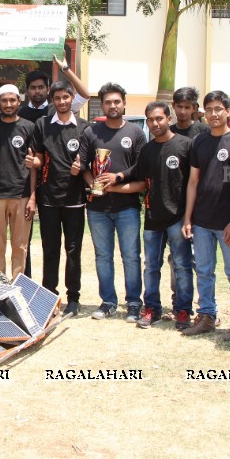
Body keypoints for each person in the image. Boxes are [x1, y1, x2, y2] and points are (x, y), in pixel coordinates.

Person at [108, 101, 194, 330]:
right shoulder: (147, 149)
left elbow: (194, 184)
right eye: (150, 120)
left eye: (159, 119)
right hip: (153, 219)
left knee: (182, 266)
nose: (155, 123)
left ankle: (183, 310)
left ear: (169, 118)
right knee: (150, 267)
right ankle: (152, 309)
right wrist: (114, 180)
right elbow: (134, 174)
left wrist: (188, 217)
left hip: (178, 218)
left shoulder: (186, 146)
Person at [181, 90, 230, 339]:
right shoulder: (199, 141)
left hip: (228, 222)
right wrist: (188, 218)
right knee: (205, 270)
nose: (213, 114)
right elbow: (193, 182)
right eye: (209, 109)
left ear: (228, 112)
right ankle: (206, 316)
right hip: (202, 221)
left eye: (218, 109)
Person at [80, 82, 146, 322]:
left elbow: (141, 168)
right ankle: (108, 302)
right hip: (97, 208)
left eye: (117, 101)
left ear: (124, 104)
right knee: (103, 256)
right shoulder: (90, 132)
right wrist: (94, 185)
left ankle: (134, 304)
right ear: (101, 105)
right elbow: (84, 167)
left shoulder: (136, 133)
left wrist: (116, 182)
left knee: (130, 255)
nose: (113, 105)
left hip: (127, 207)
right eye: (108, 102)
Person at [28, 80, 88, 317]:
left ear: (72, 98)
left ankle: (73, 297)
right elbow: (38, 159)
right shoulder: (42, 125)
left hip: (75, 198)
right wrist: (35, 163)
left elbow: (91, 162)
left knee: (73, 250)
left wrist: (81, 167)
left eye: (66, 97)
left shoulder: (84, 127)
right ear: (51, 100)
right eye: (57, 98)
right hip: (49, 198)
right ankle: (49, 296)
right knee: (49, 248)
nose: (62, 102)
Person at [0, 85, 38, 278]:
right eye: (4, 100)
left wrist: (32, 198)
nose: (8, 104)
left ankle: (17, 288)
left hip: (22, 195)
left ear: (19, 102)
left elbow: (34, 164)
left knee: (20, 245)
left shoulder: (29, 127)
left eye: (12, 100)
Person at [17, 56, 90, 123]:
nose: (37, 91)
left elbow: (85, 95)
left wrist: (65, 69)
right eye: (33, 88)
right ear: (27, 91)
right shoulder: (20, 113)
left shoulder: (59, 106)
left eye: (41, 87)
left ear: (48, 90)